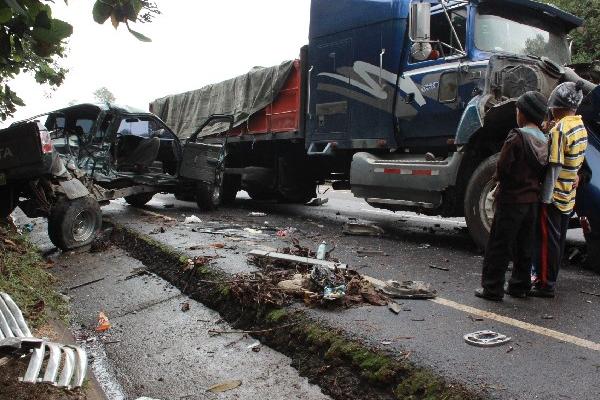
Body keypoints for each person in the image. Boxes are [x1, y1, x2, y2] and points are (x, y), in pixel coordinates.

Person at [475, 91, 549, 301]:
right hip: (532, 201)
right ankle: (520, 285)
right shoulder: (545, 140)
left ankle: (492, 288)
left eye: (518, 110)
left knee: (499, 245)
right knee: (524, 245)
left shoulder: (517, 137)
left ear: (523, 114)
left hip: (511, 200)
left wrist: (499, 183)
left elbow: (503, 167)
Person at [531, 82, 588, 298]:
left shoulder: (559, 130)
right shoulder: (580, 127)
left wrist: (544, 198)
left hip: (553, 196)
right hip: (568, 196)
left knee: (546, 241)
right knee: (558, 240)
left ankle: (545, 283)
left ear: (555, 106)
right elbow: (577, 163)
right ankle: (550, 277)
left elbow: (554, 166)